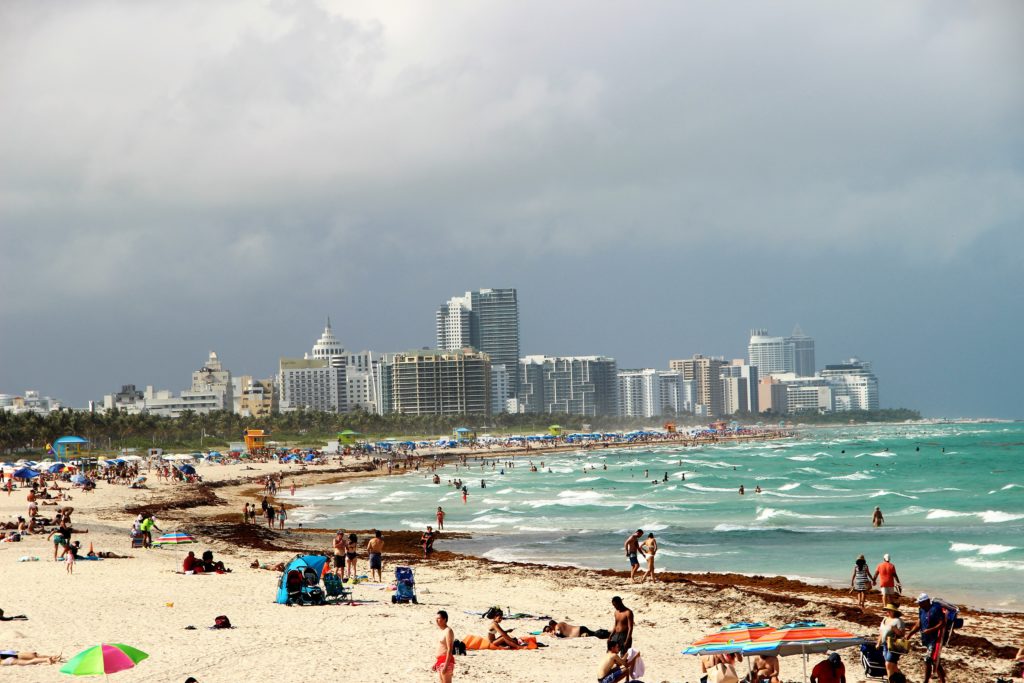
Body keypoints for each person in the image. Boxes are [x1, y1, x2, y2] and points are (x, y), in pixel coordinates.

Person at [907, 593, 947, 683]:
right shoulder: (921, 609)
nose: (919, 604)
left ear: (927, 601)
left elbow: (942, 623)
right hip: (926, 639)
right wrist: (910, 634)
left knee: (928, 659)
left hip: (935, 639)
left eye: (920, 602)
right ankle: (943, 679)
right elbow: (919, 623)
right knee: (934, 660)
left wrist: (931, 630)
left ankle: (926, 681)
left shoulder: (935, 609)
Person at [876, 602, 906, 678]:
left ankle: (891, 680)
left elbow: (902, 634)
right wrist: (878, 643)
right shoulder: (884, 619)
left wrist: (894, 629)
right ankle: (900, 678)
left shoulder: (898, 621)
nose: (888, 612)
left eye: (890, 610)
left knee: (888, 664)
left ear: (894, 611)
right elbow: (881, 632)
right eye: (887, 610)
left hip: (894, 645)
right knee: (893, 665)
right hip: (885, 645)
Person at [433, 610, 455, 683]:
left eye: (438, 618)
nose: (436, 620)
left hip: (446, 661)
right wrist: (436, 663)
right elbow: (441, 647)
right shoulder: (441, 631)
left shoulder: (448, 631)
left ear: (444, 619)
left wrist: (446, 665)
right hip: (440, 661)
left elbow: (449, 649)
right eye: (436, 618)